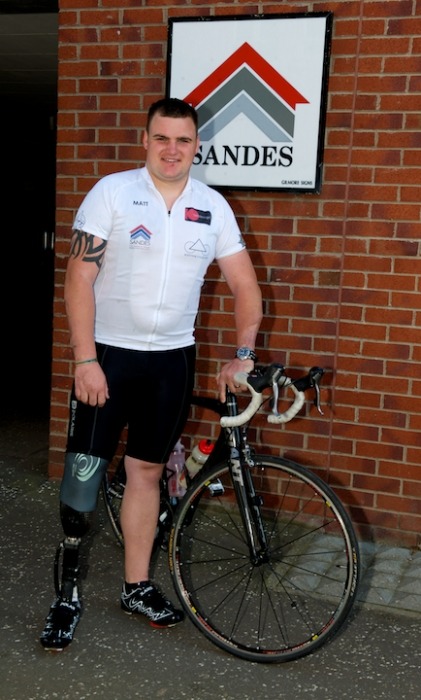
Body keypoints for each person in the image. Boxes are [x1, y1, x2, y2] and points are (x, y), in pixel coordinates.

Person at [40, 97, 263, 651]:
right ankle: (66, 593)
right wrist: (85, 359)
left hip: (171, 361)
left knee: (145, 473)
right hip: (108, 357)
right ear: (146, 140)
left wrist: (244, 352)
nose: (172, 149)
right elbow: (78, 281)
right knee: (85, 475)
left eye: (183, 140)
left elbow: (245, 287)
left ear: (196, 146)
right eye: (162, 138)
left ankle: (136, 586)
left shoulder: (213, 207)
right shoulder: (112, 193)